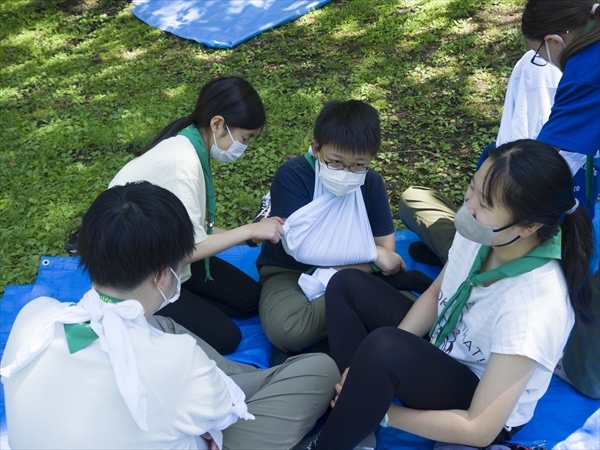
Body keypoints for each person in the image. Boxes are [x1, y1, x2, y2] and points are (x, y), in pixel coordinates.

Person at [1, 182, 338, 449]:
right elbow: (222, 416)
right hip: (196, 393)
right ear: (163, 275)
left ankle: (253, 380)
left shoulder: (36, 316)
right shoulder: (174, 360)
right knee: (320, 370)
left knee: (161, 326)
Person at [307, 140, 593, 449]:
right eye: (472, 188)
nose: (469, 205)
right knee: (347, 284)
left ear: (527, 227)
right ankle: (352, 410)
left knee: (384, 347)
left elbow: (479, 428)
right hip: (443, 345)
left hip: (477, 399)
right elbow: (435, 295)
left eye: (484, 204)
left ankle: (334, 437)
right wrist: (363, 375)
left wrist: (383, 411)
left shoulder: (536, 305)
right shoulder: (485, 233)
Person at [399, 0, 600, 399]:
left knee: (588, 379)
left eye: (541, 54)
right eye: (472, 192)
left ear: (555, 40)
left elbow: (542, 167)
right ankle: (428, 209)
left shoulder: (585, 74)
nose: (543, 63)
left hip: (549, 225)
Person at [109, 76, 285, 354]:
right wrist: (250, 231)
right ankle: (145, 313)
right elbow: (189, 248)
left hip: (166, 255)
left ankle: (185, 300)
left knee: (251, 300)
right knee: (226, 338)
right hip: (139, 273)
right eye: (244, 138)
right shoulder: (183, 164)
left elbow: (194, 231)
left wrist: (250, 236)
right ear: (217, 124)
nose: (244, 147)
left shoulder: (190, 146)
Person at [256, 100, 433, 353]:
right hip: (291, 272)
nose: (347, 172)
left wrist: (371, 259)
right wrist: (372, 255)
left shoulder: (370, 183)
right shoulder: (293, 176)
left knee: (415, 318)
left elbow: (387, 248)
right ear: (316, 148)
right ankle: (356, 315)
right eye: (336, 162)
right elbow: (302, 249)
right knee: (288, 329)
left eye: (358, 164)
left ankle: (347, 316)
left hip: (357, 274)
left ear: (371, 158)